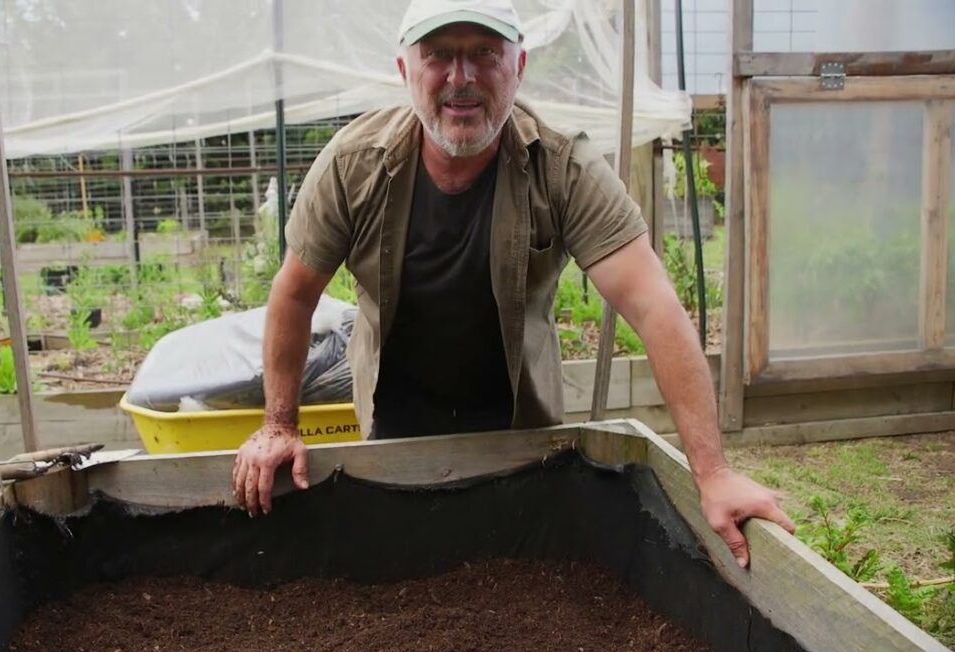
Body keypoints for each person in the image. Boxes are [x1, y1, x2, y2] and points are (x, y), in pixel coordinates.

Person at [233, 0, 795, 568]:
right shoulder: (353, 165)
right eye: (438, 55)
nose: (461, 78)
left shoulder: (563, 169)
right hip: (394, 416)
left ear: (518, 66)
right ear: (405, 71)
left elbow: (654, 307)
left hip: (519, 420)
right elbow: (295, 293)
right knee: (402, 565)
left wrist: (713, 474)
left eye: (484, 53)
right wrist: (278, 426)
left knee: (518, 572)